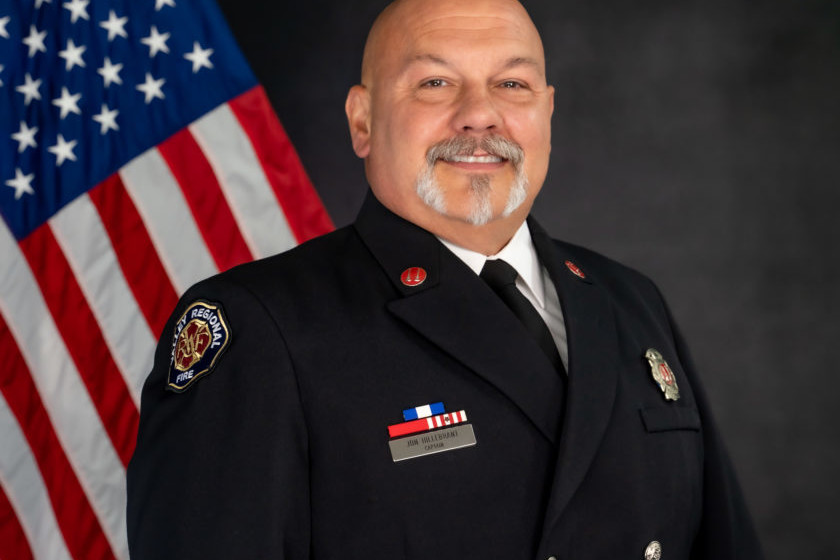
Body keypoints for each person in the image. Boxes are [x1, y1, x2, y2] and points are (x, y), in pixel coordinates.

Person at [127, 0, 764, 558]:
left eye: (512, 84)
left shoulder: (629, 301)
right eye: (434, 82)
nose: (480, 115)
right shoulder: (260, 328)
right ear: (363, 121)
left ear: (547, 112)